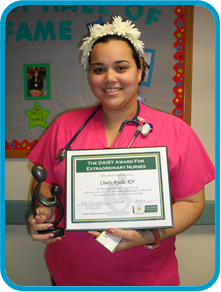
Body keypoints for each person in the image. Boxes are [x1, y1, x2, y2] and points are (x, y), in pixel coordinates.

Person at [28, 16, 215, 286]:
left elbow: (192, 203)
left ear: (140, 71)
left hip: (146, 279)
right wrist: (43, 213)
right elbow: (44, 182)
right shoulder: (65, 126)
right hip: (70, 277)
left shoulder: (177, 132)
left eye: (121, 67)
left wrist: (149, 235)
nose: (109, 78)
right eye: (98, 69)